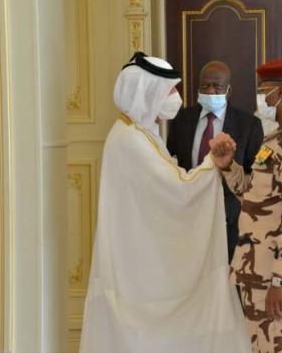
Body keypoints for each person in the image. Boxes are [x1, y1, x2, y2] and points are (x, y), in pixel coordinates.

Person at [80, 52, 250, 353]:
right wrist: (213, 162)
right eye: (170, 90)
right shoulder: (130, 138)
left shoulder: (140, 131)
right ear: (148, 92)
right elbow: (177, 189)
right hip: (137, 255)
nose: (175, 97)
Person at [209, 58, 282, 353]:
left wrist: (280, 279)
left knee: (280, 347)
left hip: (278, 272)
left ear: (281, 92)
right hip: (259, 266)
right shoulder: (278, 137)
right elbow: (256, 195)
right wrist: (228, 166)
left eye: (264, 91)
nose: (261, 98)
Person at [167, 61, 264, 261]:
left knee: (223, 272)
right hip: (189, 212)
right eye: (205, 86)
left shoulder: (249, 125)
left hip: (229, 218)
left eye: (217, 86)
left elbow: (254, 175)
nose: (211, 91)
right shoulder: (181, 120)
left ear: (228, 90)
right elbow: (171, 161)